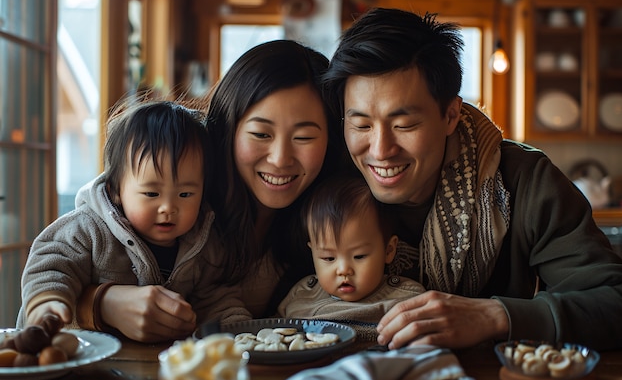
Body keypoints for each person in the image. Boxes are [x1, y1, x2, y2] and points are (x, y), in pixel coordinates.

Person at [323, 7, 622, 352]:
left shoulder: (522, 181)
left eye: (404, 125)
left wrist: (496, 316)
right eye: (361, 125)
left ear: (450, 114)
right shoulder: (328, 185)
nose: (380, 150)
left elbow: (616, 300)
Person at [74, 40, 349, 342]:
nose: (280, 158)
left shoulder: (340, 215)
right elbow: (52, 281)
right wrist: (103, 303)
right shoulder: (178, 187)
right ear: (230, 127)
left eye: (304, 137)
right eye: (260, 134)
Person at [17, 99, 249, 336]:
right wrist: (47, 304)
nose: (168, 207)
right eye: (151, 193)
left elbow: (218, 299)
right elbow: (51, 263)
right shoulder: (89, 229)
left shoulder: (206, 243)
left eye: (185, 194)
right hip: (89, 362)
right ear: (116, 189)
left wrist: (242, 331)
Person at [277, 173, 425, 341]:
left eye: (359, 256)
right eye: (328, 258)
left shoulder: (405, 299)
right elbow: (272, 336)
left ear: (389, 250)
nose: (343, 270)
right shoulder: (301, 295)